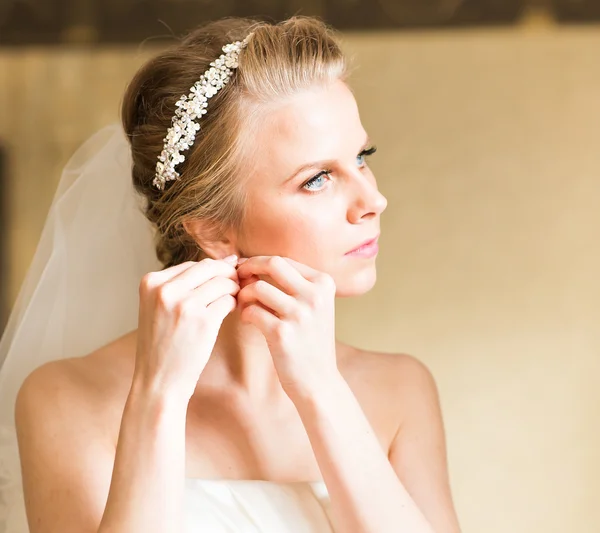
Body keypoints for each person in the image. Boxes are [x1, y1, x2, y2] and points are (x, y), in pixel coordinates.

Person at [0, 15, 462, 533]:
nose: (373, 200)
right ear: (213, 230)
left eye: (362, 157)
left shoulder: (400, 390)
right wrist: (159, 397)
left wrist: (320, 389)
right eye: (317, 179)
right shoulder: (66, 398)